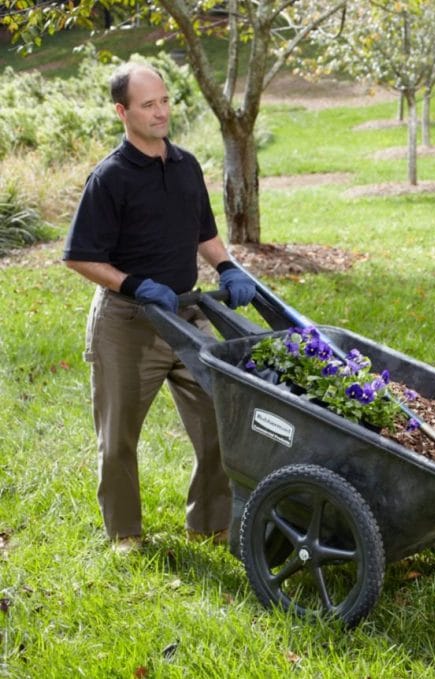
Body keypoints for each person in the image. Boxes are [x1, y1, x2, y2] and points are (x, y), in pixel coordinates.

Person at [63, 61, 256, 554]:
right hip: (127, 323)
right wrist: (134, 284)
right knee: (119, 435)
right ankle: (125, 535)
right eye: (148, 105)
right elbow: (81, 256)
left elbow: (204, 234)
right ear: (121, 111)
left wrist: (227, 266)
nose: (161, 112)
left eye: (165, 101)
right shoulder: (109, 178)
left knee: (218, 417)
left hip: (186, 316)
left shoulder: (187, 165)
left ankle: (210, 521)